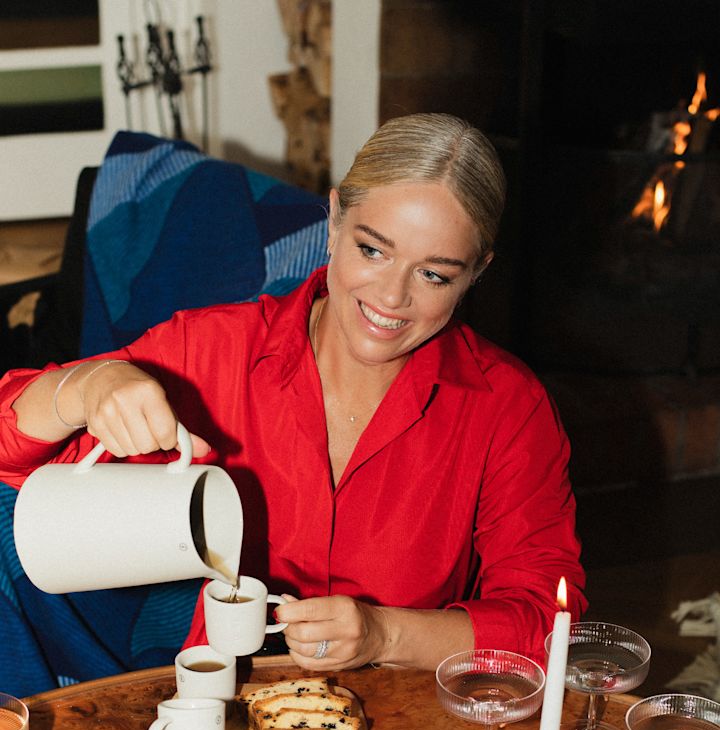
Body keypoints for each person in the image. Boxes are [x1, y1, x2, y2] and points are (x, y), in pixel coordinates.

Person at [0, 113, 586, 672]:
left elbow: (545, 622)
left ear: (475, 272)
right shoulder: (213, 350)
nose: (391, 296)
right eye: (372, 249)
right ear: (333, 220)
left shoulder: (509, 407)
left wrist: (386, 633)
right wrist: (87, 385)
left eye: (434, 274)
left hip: (401, 700)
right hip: (219, 686)